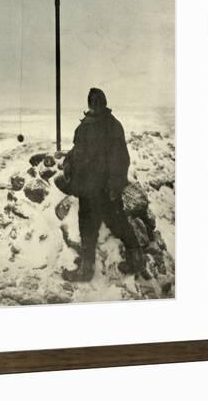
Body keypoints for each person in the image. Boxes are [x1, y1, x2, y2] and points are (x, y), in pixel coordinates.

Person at [61, 87, 144, 282]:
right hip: (86, 189)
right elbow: (77, 149)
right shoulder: (84, 125)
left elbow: (121, 158)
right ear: (89, 102)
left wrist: (116, 186)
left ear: (104, 102)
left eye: (98, 100)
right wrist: (68, 161)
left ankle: (137, 260)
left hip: (106, 189)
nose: (95, 103)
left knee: (118, 223)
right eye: (92, 100)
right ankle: (86, 270)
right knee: (87, 228)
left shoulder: (113, 126)